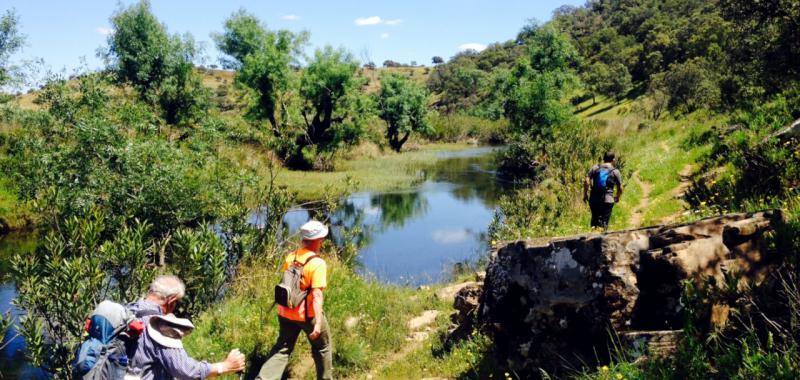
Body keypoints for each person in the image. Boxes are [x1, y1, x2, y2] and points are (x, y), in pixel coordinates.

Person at [127, 275, 246, 379]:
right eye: (177, 303)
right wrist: (225, 366)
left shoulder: (127, 314)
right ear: (171, 301)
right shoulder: (159, 324)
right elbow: (185, 370)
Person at [256, 220, 333, 380]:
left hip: (285, 311)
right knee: (323, 347)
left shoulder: (291, 257)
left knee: (282, 348)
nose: (323, 240)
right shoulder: (317, 263)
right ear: (318, 240)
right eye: (322, 238)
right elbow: (317, 295)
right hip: (307, 315)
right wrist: (318, 323)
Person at [584, 151, 624, 230]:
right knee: (604, 223)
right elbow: (620, 187)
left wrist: (585, 194)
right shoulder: (615, 171)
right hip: (607, 200)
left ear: (604, 159)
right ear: (613, 160)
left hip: (594, 199)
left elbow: (586, 181)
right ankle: (601, 238)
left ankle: (593, 238)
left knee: (594, 222)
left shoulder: (595, 168)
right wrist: (617, 197)